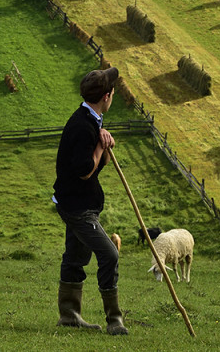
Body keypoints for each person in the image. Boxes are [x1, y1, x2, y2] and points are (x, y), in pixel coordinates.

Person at [53, 67, 127, 335]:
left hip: (76, 203)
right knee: (109, 254)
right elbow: (85, 170)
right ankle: (114, 320)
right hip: (78, 208)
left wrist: (104, 147)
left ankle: (69, 316)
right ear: (106, 97)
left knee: (76, 256)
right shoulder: (84, 126)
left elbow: (95, 166)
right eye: (113, 91)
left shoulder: (90, 118)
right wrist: (99, 143)